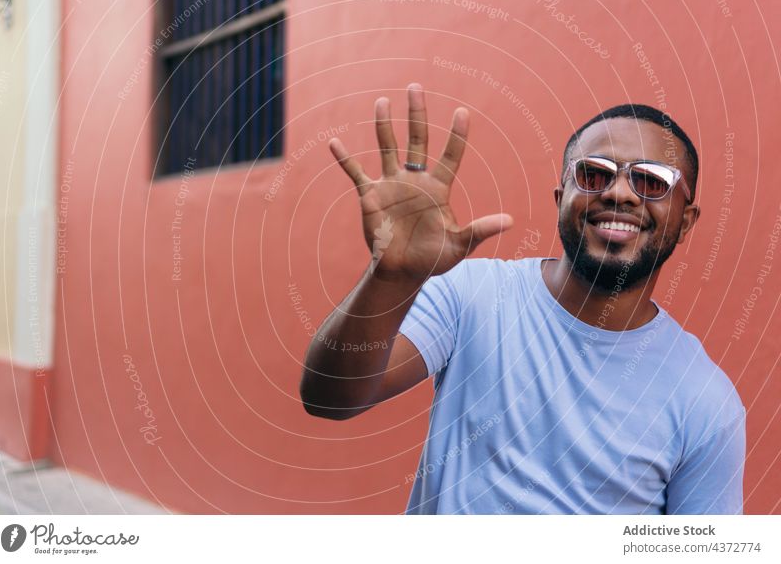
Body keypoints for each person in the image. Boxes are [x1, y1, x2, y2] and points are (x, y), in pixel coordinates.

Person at [300, 83, 745, 515]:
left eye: (651, 181)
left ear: (686, 222)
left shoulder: (705, 401)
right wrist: (390, 277)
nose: (618, 192)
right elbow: (329, 398)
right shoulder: (473, 294)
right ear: (561, 200)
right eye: (594, 174)